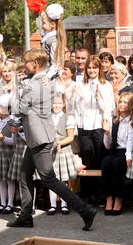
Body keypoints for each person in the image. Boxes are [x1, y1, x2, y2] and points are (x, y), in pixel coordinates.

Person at [7, 48, 97, 231]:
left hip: (39, 138)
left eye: (27, 62)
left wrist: (10, 115)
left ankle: (85, 210)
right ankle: (26, 215)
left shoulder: (33, 84)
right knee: (25, 174)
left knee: (48, 179)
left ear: (35, 64)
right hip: (39, 135)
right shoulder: (46, 82)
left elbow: (21, 108)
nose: (25, 65)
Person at [75, 55, 115, 201]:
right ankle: (88, 193)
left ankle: (102, 192)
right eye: (89, 68)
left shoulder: (106, 85)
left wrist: (99, 100)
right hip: (84, 125)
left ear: (99, 69)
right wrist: (79, 97)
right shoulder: (81, 84)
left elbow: (109, 108)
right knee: (87, 158)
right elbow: (77, 108)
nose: (92, 70)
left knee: (100, 158)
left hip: (99, 125)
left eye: (94, 67)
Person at [102, 91, 133, 216]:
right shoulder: (115, 121)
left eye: (125, 102)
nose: (121, 104)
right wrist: (106, 133)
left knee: (117, 163)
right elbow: (107, 145)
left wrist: (129, 155)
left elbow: (132, 142)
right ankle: (109, 197)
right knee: (106, 162)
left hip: (128, 151)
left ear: (131, 105)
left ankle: (118, 198)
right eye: (120, 101)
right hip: (115, 150)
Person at [46, 94, 77, 216]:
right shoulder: (47, 117)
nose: (57, 105)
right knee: (51, 179)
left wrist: (60, 143)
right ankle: (53, 205)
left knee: (64, 180)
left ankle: (64, 205)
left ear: (63, 104)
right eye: (54, 103)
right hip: (50, 151)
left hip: (63, 150)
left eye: (59, 103)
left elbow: (70, 137)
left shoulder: (67, 117)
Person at [41, 3, 67, 80]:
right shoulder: (48, 35)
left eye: (43, 23)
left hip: (49, 77)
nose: (42, 25)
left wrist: (47, 77)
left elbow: (56, 63)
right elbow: (43, 15)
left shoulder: (53, 41)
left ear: (52, 24)